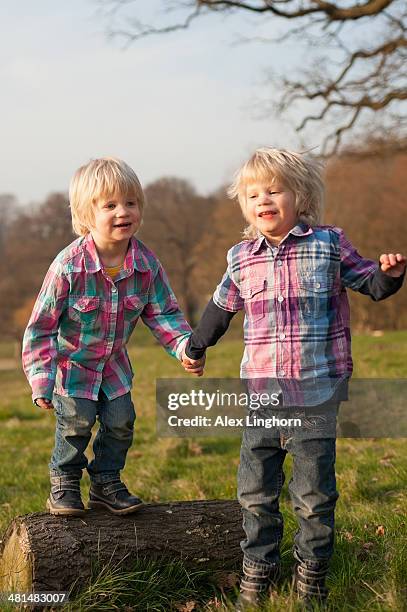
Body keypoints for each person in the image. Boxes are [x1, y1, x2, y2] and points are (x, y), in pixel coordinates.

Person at [181, 147, 406, 608]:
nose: (263, 199)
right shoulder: (241, 257)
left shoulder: (329, 244)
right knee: (255, 491)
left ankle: (312, 573)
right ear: (244, 205)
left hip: (316, 392)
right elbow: (221, 308)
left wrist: (391, 276)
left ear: (298, 195)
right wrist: (196, 344)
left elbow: (370, 283)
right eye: (253, 194)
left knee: (312, 492)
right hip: (261, 394)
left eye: (274, 190)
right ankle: (258, 570)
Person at [22, 157, 202, 516]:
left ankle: (106, 482)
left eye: (131, 203)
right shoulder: (68, 266)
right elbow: (41, 328)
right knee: (75, 425)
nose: (123, 212)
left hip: (114, 367)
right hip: (73, 368)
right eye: (110, 205)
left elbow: (163, 312)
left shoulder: (146, 264)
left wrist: (183, 346)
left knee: (121, 423)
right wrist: (41, 379)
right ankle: (65, 482)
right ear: (86, 214)